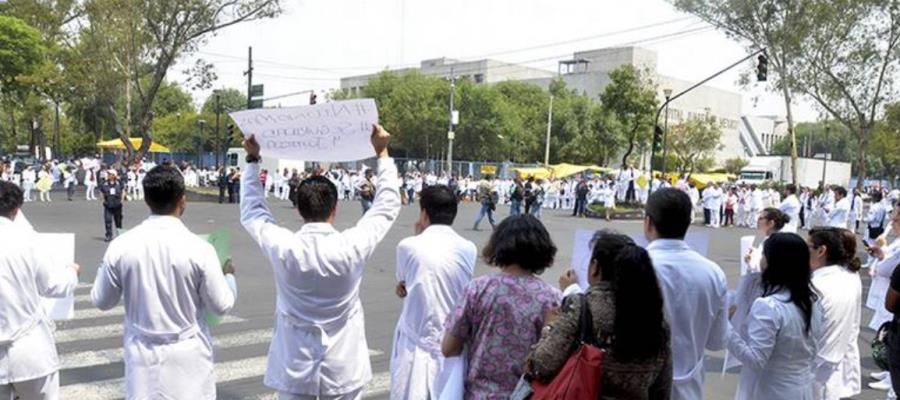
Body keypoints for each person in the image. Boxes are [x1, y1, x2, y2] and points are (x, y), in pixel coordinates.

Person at [239, 125, 400, 400]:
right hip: (343, 367)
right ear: (335, 209)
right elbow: (386, 206)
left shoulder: (285, 247)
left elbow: (253, 212)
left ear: (299, 210)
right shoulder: (351, 246)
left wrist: (253, 160)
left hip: (294, 366)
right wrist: (382, 153)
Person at [90, 165, 238, 399]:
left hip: (142, 354)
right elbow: (220, 305)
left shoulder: (121, 245)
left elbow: (102, 300)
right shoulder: (200, 249)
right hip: (188, 355)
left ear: (147, 199)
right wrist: (229, 277)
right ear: (182, 201)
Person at [527, 230, 672, 399]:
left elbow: (541, 365)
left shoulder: (581, 307)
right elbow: (662, 390)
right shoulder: (656, 320)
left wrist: (548, 327)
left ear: (595, 267)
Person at [442, 214, 561, 398]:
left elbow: (449, 348)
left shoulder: (478, 288)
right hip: (525, 395)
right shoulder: (551, 298)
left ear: (499, 246)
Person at [390, 185, 476, 400]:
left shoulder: (407, 246)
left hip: (415, 339)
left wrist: (417, 235)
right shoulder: (468, 248)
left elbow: (403, 284)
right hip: (451, 339)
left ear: (424, 213)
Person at [643, 188, 728, 400]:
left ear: (648, 222)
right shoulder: (712, 272)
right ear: (688, 223)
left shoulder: (634, 266)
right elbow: (716, 341)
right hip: (690, 389)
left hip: (642, 386)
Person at [0, 181, 80, 400]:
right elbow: (53, 285)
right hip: (30, 350)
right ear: (16, 209)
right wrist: (72, 273)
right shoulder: (27, 240)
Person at [727, 233, 823, 400]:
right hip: (802, 387)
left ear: (773, 262)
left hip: (771, 390)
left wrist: (725, 327)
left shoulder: (769, 306)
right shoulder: (812, 300)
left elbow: (756, 360)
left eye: (763, 254)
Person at [808, 227, 862, 400]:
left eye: (808, 247)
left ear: (821, 251)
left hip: (811, 369)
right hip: (834, 363)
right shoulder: (851, 276)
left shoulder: (815, 286)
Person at [100, 170, 125, 242]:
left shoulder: (119, 183)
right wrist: (103, 200)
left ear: (114, 175)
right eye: (108, 174)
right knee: (108, 220)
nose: (108, 175)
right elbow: (101, 191)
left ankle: (120, 235)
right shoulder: (104, 183)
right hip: (108, 205)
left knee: (118, 221)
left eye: (110, 174)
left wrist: (122, 200)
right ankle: (109, 235)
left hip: (117, 205)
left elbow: (123, 190)